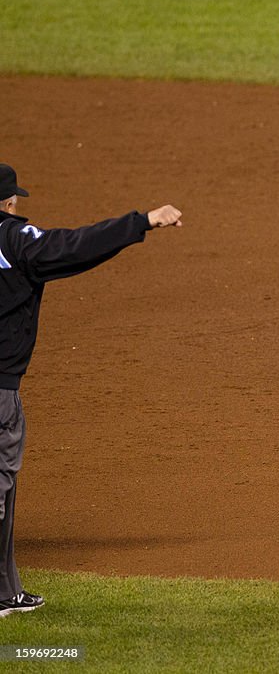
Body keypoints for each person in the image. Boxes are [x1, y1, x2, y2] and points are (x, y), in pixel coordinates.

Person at [0, 163, 182, 617]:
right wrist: (141, 222)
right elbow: (72, 247)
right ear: (6, 202)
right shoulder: (13, 239)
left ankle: (5, 590)